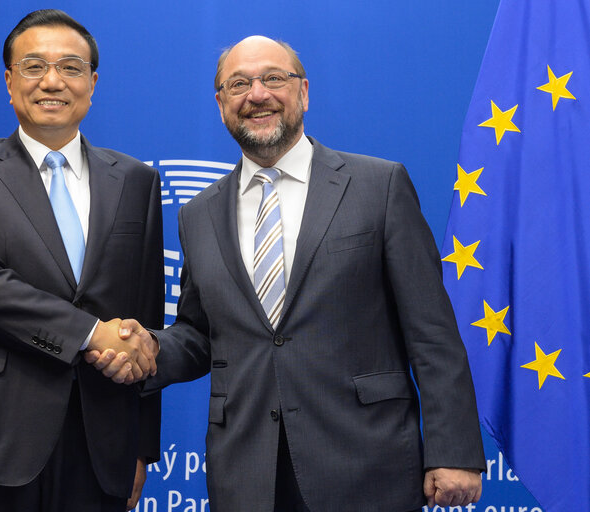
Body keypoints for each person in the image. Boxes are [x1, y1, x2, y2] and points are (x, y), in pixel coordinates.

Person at [88, 36, 486, 512]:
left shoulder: (378, 186)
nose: (257, 94)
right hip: (247, 472)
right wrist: (151, 348)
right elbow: (199, 333)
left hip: (366, 464)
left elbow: (432, 331)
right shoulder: (199, 213)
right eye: (239, 84)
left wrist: (454, 451)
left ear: (304, 92)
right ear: (220, 104)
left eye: (274, 78)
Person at [0, 9, 163, 512]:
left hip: (103, 442)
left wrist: (141, 445)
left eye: (71, 67)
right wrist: (89, 332)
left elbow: (145, 317)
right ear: (10, 82)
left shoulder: (136, 180)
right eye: (33, 66)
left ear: (92, 84)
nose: (52, 81)